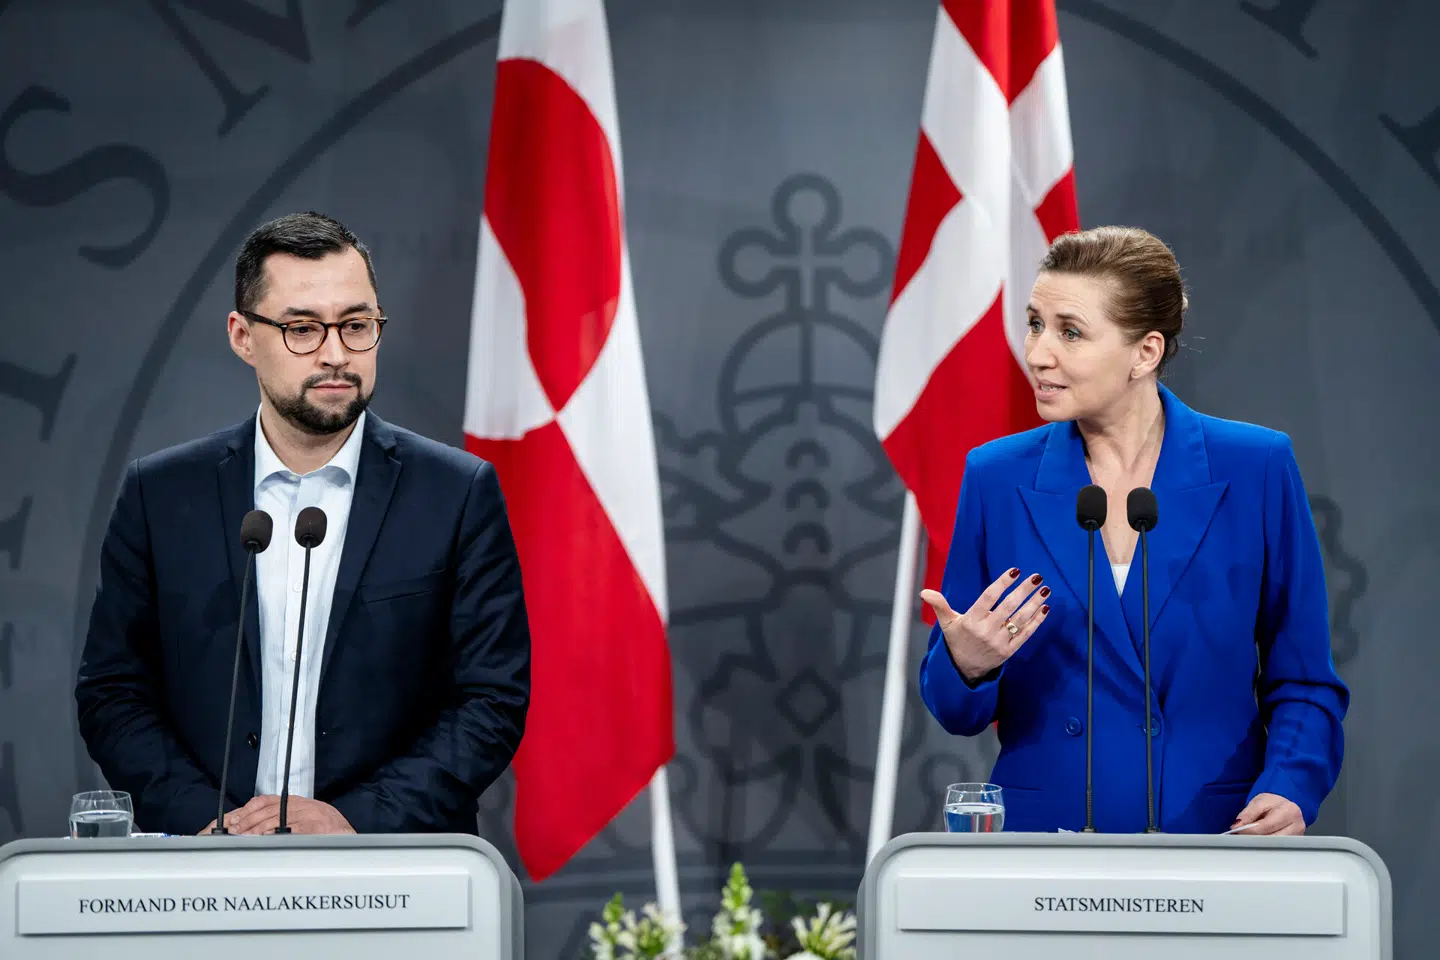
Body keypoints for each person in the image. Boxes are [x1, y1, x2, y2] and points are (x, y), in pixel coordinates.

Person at [76, 211, 530, 836]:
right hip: (206, 866)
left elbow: (490, 699)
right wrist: (212, 824)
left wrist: (354, 822)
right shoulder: (160, 495)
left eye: (356, 326)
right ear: (243, 336)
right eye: (303, 330)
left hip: (391, 866)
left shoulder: (456, 493)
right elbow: (113, 693)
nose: (336, 354)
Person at [918, 225, 1347, 836]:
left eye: (1070, 332)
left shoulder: (1255, 467)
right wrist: (967, 663)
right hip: (1046, 841)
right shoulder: (995, 476)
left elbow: (1304, 679)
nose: (1038, 354)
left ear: (1145, 352)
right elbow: (955, 711)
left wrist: (1291, 785)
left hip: (1212, 831)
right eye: (1036, 324)